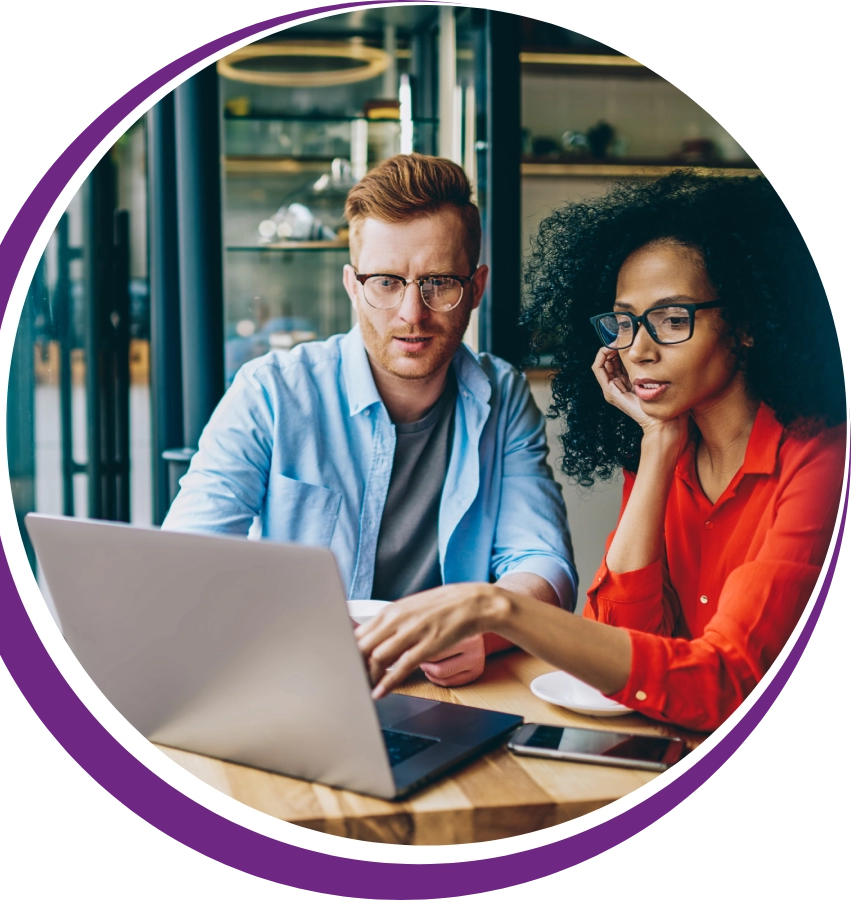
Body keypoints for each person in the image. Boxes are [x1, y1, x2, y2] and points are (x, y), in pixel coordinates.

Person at [357, 171, 846, 732]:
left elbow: (733, 682)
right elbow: (621, 642)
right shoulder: (668, 451)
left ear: (747, 324)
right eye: (624, 321)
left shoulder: (823, 460)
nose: (636, 349)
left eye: (670, 319)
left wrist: (498, 608)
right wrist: (657, 448)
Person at [163, 153, 577, 689]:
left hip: (451, 692)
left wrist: (485, 632)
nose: (412, 312)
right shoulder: (270, 391)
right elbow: (186, 562)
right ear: (352, 286)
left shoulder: (503, 395)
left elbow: (544, 563)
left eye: (439, 282)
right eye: (385, 282)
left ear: (475, 289)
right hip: (296, 678)